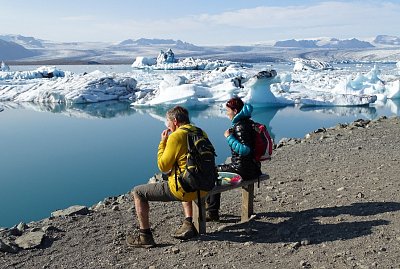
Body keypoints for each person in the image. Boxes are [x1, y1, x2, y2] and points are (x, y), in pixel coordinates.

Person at [126, 106, 209, 248]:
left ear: (175, 121)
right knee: (183, 173)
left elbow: (163, 166)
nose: (168, 125)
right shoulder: (200, 132)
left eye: (168, 122)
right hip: (204, 185)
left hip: (186, 189)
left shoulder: (176, 136)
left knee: (138, 192)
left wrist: (162, 143)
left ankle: (145, 236)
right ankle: (188, 222)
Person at [206, 97, 262, 221]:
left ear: (235, 111)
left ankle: (212, 212)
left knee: (211, 173)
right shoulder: (248, 123)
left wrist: (229, 137)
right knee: (214, 171)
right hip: (252, 168)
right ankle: (210, 210)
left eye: (228, 111)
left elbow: (245, 150)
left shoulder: (240, 126)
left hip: (242, 170)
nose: (227, 113)